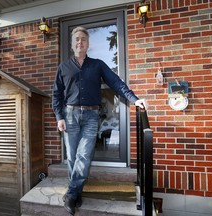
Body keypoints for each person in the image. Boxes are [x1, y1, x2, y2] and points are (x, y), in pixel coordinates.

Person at [52, 26, 147, 215]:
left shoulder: (97, 65)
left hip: (90, 116)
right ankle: (76, 192)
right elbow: (56, 95)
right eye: (77, 39)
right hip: (69, 115)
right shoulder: (63, 68)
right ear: (72, 44)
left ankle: (71, 194)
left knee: (84, 156)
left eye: (83, 40)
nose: (80, 42)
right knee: (72, 157)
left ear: (88, 44)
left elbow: (116, 82)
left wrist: (134, 99)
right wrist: (59, 117)